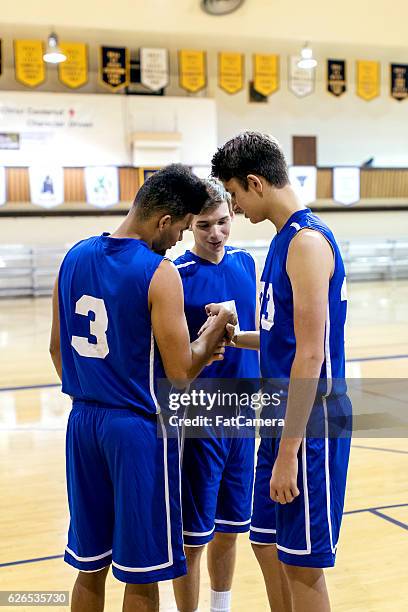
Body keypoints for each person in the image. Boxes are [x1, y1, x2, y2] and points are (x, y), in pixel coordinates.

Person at [49, 164, 236, 612]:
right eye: (183, 229)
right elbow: (179, 371)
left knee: (89, 566)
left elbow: (57, 349)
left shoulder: (73, 255)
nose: (178, 242)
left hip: (82, 422)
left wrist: (99, 385)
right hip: (136, 430)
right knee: (143, 571)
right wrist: (216, 331)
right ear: (164, 221)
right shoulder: (159, 271)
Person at [210, 132, 351, 612]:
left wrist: (288, 452)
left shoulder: (307, 243)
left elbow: (310, 356)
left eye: (234, 194)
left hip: (309, 424)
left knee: (302, 564)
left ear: (255, 183)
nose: (235, 206)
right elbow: (281, 338)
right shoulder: (281, 241)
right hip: (280, 416)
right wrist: (234, 335)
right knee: (265, 542)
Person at [172, 179, 259, 612]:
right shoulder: (174, 277)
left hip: (244, 415)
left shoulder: (247, 264)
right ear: (189, 224)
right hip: (199, 416)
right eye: (204, 225)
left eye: (223, 222)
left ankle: (220, 607)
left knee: (231, 526)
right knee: (194, 534)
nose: (216, 233)